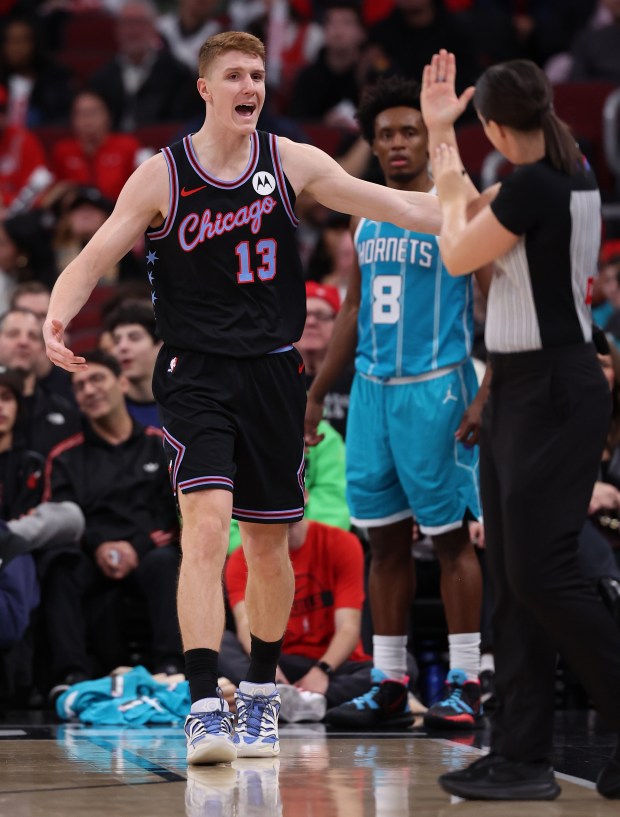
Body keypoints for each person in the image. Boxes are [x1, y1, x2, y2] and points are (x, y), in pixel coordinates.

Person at [42, 30, 441, 766]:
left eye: (257, 74)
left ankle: (258, 694)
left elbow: (395, 204)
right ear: (205, 88)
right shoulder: (163, 175)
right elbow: (94, 256)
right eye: (234, 75)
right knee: (204, 529)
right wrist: (56, 315)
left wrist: (485, 212)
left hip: (273, 372)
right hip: (195, 372)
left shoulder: (290, 162)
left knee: (266, 543)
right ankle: (203, 706)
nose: (249, 86)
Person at [422, 49, 620, 800]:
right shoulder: (561, 170)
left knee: (542, 573)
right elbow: (471, 211)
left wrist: (446, 155)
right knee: (511, 581)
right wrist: (443, 136)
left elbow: (456, 248)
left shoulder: (540, 182)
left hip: (554, 388)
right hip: (518, 383)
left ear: (498, 129)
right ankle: (521, 754)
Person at [305, 73, 485, 731]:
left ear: (429, 138)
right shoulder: (363, 211)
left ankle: (467, 680)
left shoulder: (456, 202)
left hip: (438, 387)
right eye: (387, 133)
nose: (399, 141)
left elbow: (496, 299)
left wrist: (488, 388)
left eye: (411, 130)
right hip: (372, 394)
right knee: (382, 541)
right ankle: (388, 681)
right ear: (373, 144)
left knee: (450, 540)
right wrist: (317, 393)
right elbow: (352, 309)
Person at [41, 350, 182, 695]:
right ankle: (71, 679)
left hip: (150, 551)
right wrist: (98, 546)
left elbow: (175, 516)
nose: (89, 390)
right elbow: (59, 521)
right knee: (59, 565)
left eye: (97, 379)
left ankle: (173, 669)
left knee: (168, 562)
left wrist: (137, 547)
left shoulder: (160, 445)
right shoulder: (64, 456)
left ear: (122, 383)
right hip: (91, 553)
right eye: (79, 386)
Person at [222, 515, 375, 723]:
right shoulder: (240, 558)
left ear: (305, 498)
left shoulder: (341, 542)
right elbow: (245, 625)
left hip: (332, 665)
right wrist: (266, 671)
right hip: (278, 663)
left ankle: (274, 701)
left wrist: (323, 670)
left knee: (396, 667)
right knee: (220, 642)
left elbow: (349, 627)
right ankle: (302, 699)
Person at [50, 90, 145, 202]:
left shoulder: (128, 146)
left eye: (93, 113)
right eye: (81, 114)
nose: (87, 120)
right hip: (77, 210)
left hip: (119, 208)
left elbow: (144, 185)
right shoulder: (62, 151)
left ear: (108, 116)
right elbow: (51, 192)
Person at [296, 281, 352, 439]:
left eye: (321, 316)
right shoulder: (275, 378)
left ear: (339, 324)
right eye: (304, 315)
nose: (311, 322)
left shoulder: (356, 378)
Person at [105, 302, 162, 427]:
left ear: (159, 345)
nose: (122, 347)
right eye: (116, 341)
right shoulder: (105, 411)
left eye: (134, 338)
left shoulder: (186, 400)